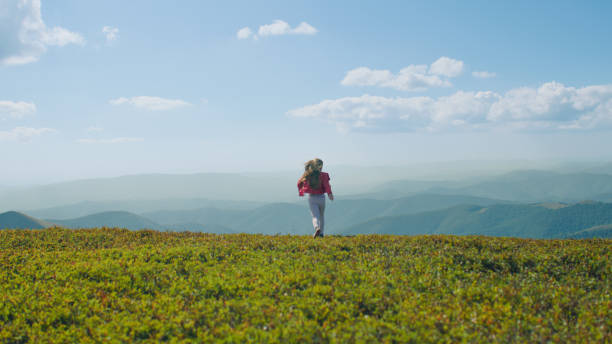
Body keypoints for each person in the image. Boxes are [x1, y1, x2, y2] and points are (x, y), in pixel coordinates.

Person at [297, 158, 334, 238]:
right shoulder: (324, 175)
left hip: (312, 198)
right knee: (321, 216)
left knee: (315, 216)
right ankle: (321, 233)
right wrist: (329, 193)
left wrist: (301, 192)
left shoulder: (308, 175)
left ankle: (317, 227)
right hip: (321, 198)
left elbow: (299, 183)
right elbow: (327, 185)